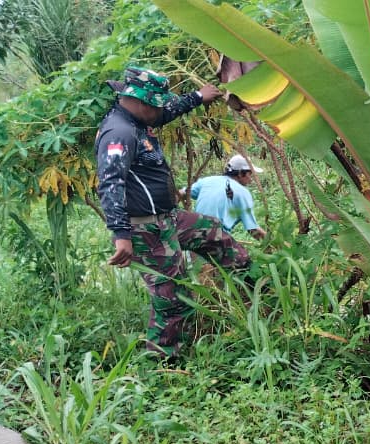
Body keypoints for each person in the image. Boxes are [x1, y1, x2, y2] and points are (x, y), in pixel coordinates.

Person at [96, 66, 252, 358]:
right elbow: (110, 183)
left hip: (167, 219)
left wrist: (197, 97)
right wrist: (121, 234)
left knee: (213, 231)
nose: (161, 111)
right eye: (156, 105)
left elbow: (165, 113)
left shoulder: (137, 120)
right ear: (142, 103)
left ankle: (252, 290)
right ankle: (162, 361)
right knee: (173, 297)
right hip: (146, 228)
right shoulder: (119, 133)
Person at [190, 154, 267, 240]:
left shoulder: (207, 181)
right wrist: (275, 243)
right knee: (242, 253)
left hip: (193, 234)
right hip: (215, 237)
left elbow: (181, 193)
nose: (251, 179)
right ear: (240, 173)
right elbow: (253, 230)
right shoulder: (243, 193)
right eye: (250, 174)